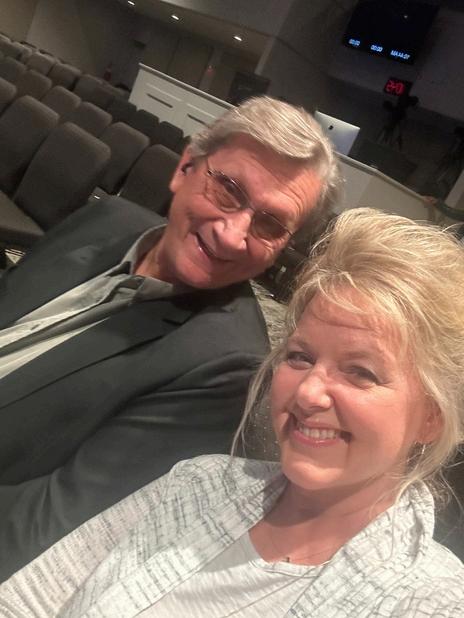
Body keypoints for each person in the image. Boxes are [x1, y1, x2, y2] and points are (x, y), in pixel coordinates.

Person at [2, 207, 463, 618]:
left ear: (433, 416)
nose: (308, 393)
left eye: (361, 372)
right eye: (300, 357)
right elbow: (31, 598)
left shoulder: (430, 602)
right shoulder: (201, 484)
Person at [0, 96, 339, 580]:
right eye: (228, 190)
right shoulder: (110, 218)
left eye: (269, 224)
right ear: (185, 168)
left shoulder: (225, 368)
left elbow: (45, 532)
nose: (232, 235)